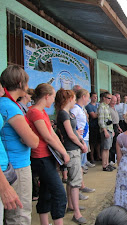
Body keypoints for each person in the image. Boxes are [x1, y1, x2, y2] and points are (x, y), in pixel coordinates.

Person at [0, 65, 39, 225]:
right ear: (20, 83)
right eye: (27, 82)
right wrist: (29, 136)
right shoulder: (10, 106)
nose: (28, 87)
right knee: (20, 216)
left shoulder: (4, 103)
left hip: (9, 164)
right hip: (18, 165)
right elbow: (33, 141)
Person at [27, 83, 69, 225]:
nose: (53, 100)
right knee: (59, 193)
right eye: (52, 96)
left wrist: (62, 150)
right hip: (40, 157)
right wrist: (64, 152)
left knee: (46, 192)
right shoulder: (34, 112)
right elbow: (48, 137)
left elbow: (52, 134)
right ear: (46, 96)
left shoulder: (42, 112)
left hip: (46, 156)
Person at [55, 88, 88, 224]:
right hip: (71, 149)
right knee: (75, 182)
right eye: (74, 98)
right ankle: (76, 213)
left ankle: (72, 205)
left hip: (74, 147)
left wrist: (80, 140)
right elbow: (70, 134)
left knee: (71, 180)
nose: (75, 100)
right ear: (68, 99)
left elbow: (74, 131)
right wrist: (81, 145)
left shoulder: (67, 113)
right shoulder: (63, 114)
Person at [98, 92, 115, 171]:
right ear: (104, 98)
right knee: (105, 148)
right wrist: (105, 131)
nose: (110, 100)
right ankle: (104, 165)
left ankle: (107, 163)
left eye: (110, 98)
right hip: (106, 129)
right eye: (108, 98)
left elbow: (109, 120)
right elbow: (101, 121)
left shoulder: (107, 106)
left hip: (110, 129)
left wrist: (112, 130)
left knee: (108, 148)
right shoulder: (102, 107)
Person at [85, 91, 101, 163]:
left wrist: (97, 113)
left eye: (96, 97)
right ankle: (91, 157)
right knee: (92, 143)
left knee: (98, 142)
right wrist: (100, 114)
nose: (95, 98)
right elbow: (93, 116)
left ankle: (98, 156)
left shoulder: (98, 105)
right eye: (94, 97)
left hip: (98, 126)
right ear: (91, 97)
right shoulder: (89, 106)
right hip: (92, 126)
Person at [108, 95, 122, 164]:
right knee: (111, 144)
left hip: (116, 126)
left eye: (115, 101)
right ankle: (111, 159)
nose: (114, 102)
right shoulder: (108, 108)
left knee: (115, 143)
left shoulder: (114, 108)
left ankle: (114, 158)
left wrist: (118, 127)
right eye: (113, 101)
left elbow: (116, 119)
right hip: (111, 126)